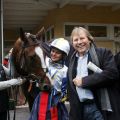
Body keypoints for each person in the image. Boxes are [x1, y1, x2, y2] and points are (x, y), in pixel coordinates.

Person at [67, 27, 120, 120]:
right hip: (80, 109)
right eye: (75, 40)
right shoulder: (71, 60)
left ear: (89, 39)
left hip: (98, 108)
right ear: (72, 43)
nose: (79, 42)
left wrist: (84, 81)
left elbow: (112, 74)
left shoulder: (103, 53)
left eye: (82, 38)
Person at [29, 38, 70, 120]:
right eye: (53, 51)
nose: (54, 54)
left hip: (56, 102)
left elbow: (64, 91)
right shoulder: (44, 62)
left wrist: (61, 97)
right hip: (41, 98)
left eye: (57, 53)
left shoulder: (66, 70)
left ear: (63, 55)